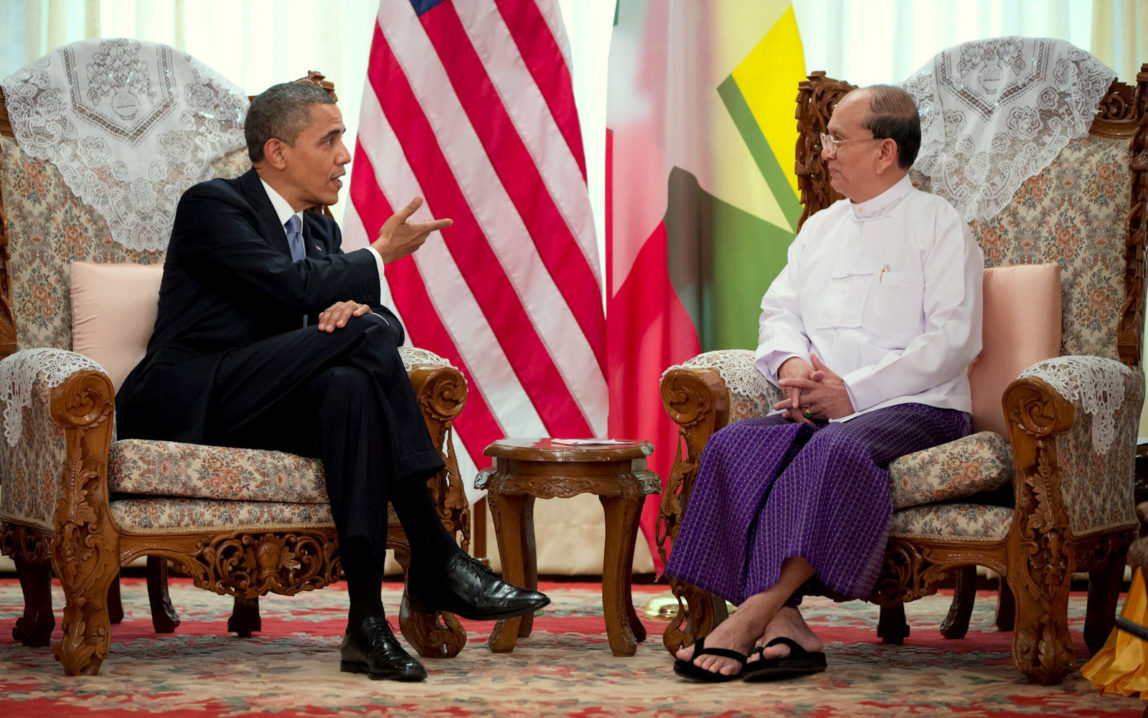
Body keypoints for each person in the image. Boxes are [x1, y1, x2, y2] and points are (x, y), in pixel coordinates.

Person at [116, 81, 549, 683]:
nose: (345, 154)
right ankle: (436, 556)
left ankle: (366, 627)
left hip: (274, 401)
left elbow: (381, 327)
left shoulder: (318, 231)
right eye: (330, 138)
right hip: (193, 397)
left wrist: (360, 312)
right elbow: (288, 292)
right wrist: (377, 257)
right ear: (277, 152)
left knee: (349, 386)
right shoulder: (213, 206)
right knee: (360, 341)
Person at [665, 85, 983, 682]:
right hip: (822, 405)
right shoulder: (821, 227)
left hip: (918, 405)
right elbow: (778, 311)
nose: (825, 151)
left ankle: (752, 614)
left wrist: (854, 393)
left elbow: (954, 341)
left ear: (885, 151)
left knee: (834, 449)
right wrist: (789, 366)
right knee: (735, 444)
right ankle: (792, 628)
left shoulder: (939, 225)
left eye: (838, 138)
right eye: (826, 137)